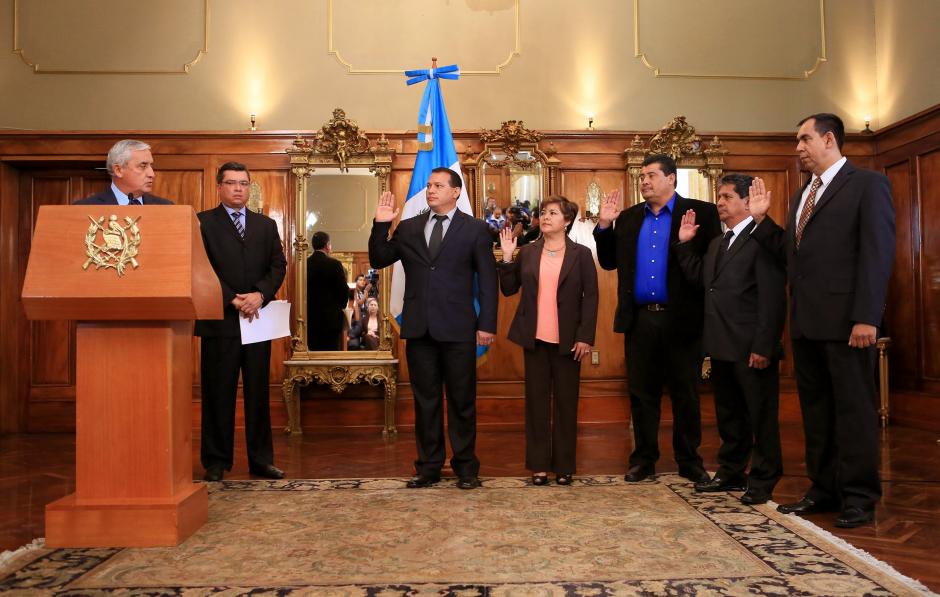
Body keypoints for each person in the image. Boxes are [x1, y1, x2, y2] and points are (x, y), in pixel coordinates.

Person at [747, 113, 895, 527]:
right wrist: (761, 221)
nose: (798, 148)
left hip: (850, 325)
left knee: (853, 413)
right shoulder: (801, 195)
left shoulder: (867, 185)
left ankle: (860, 498)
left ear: (829, 139)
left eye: (804, 139)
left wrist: (867, 316)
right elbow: (792, 257)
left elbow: (877, 254)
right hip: (808, 325)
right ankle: (824, 489)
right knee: (817, 413)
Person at [593, 154, 721, 483]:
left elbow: (709, 270)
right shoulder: (631, 218)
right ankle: (644, 460)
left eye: (651, 175)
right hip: (640, 320)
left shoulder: (701, 213)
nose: (644, 181)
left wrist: (685, 243)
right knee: (641, 393)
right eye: (642, 176)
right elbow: (608, 263)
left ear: (671, 179)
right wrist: (605, 226)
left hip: (682, 319)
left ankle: (689, 460)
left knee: (686, 394)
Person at [368, 167, 498, 490]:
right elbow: (379, 257)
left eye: (438, 185)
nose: (430, 190)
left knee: (461, 401)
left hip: (458, 329)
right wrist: (381, 223)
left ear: (456, 192)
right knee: (425, 402)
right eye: (428, 185)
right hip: (419, 329)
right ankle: (428, 467)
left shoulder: (476, 230)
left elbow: (488, 282)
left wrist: (487, 325)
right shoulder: (409, 228)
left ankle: (466, 467)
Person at [675, 173, 786, 505]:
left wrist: (764, 346)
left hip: (752, 347)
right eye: (719, 197)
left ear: (746, 201)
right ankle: (731, 471)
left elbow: (772, 298)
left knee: (761, 417)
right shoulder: (717, 243)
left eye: (726, 197)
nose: (719, 203)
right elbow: (702, 280)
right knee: (729, 415)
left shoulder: (762, 239)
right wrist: (683, 245)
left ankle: (764, 479)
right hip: (721, 344)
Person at [195, 162, 287, 482]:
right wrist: (232, 298)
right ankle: (216, 462)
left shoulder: (265, 225)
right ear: (219, 187)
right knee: (218, 393)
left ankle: (261, 460)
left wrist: (260, 295)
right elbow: (198, 268)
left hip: (258, 320)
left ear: (250, 188)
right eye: (232, 183)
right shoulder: (203, 222)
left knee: (259, 394)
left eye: (244, 184)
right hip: (220, 320)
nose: (238, 189)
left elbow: (278, 265)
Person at [498, 196, 598, 485]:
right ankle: (539, 466)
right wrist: (506, 257)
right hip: (535, 338)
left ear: (566, 221)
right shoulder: (528, 252)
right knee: (536, 405)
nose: (545, 217)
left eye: (553, 213)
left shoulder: (580, 254)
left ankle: (564, 466)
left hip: (569, 341)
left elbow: (591, 298)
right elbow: (508, 289)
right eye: (543, 212)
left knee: (567, 404)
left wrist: (585, 337)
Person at [75, 139, 173, 205]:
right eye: (143, 166)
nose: (152, 174)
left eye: (151, 166)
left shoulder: (167, 207)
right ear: (118, 170)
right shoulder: (86, 207)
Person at [306, 231, 349, 351]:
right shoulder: (334, 264)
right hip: (331, 319)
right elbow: (342, 290)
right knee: (330, 355)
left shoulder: (304, 264)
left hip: (310, 318)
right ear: (327, 245)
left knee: (313, 354)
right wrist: (342, 304)